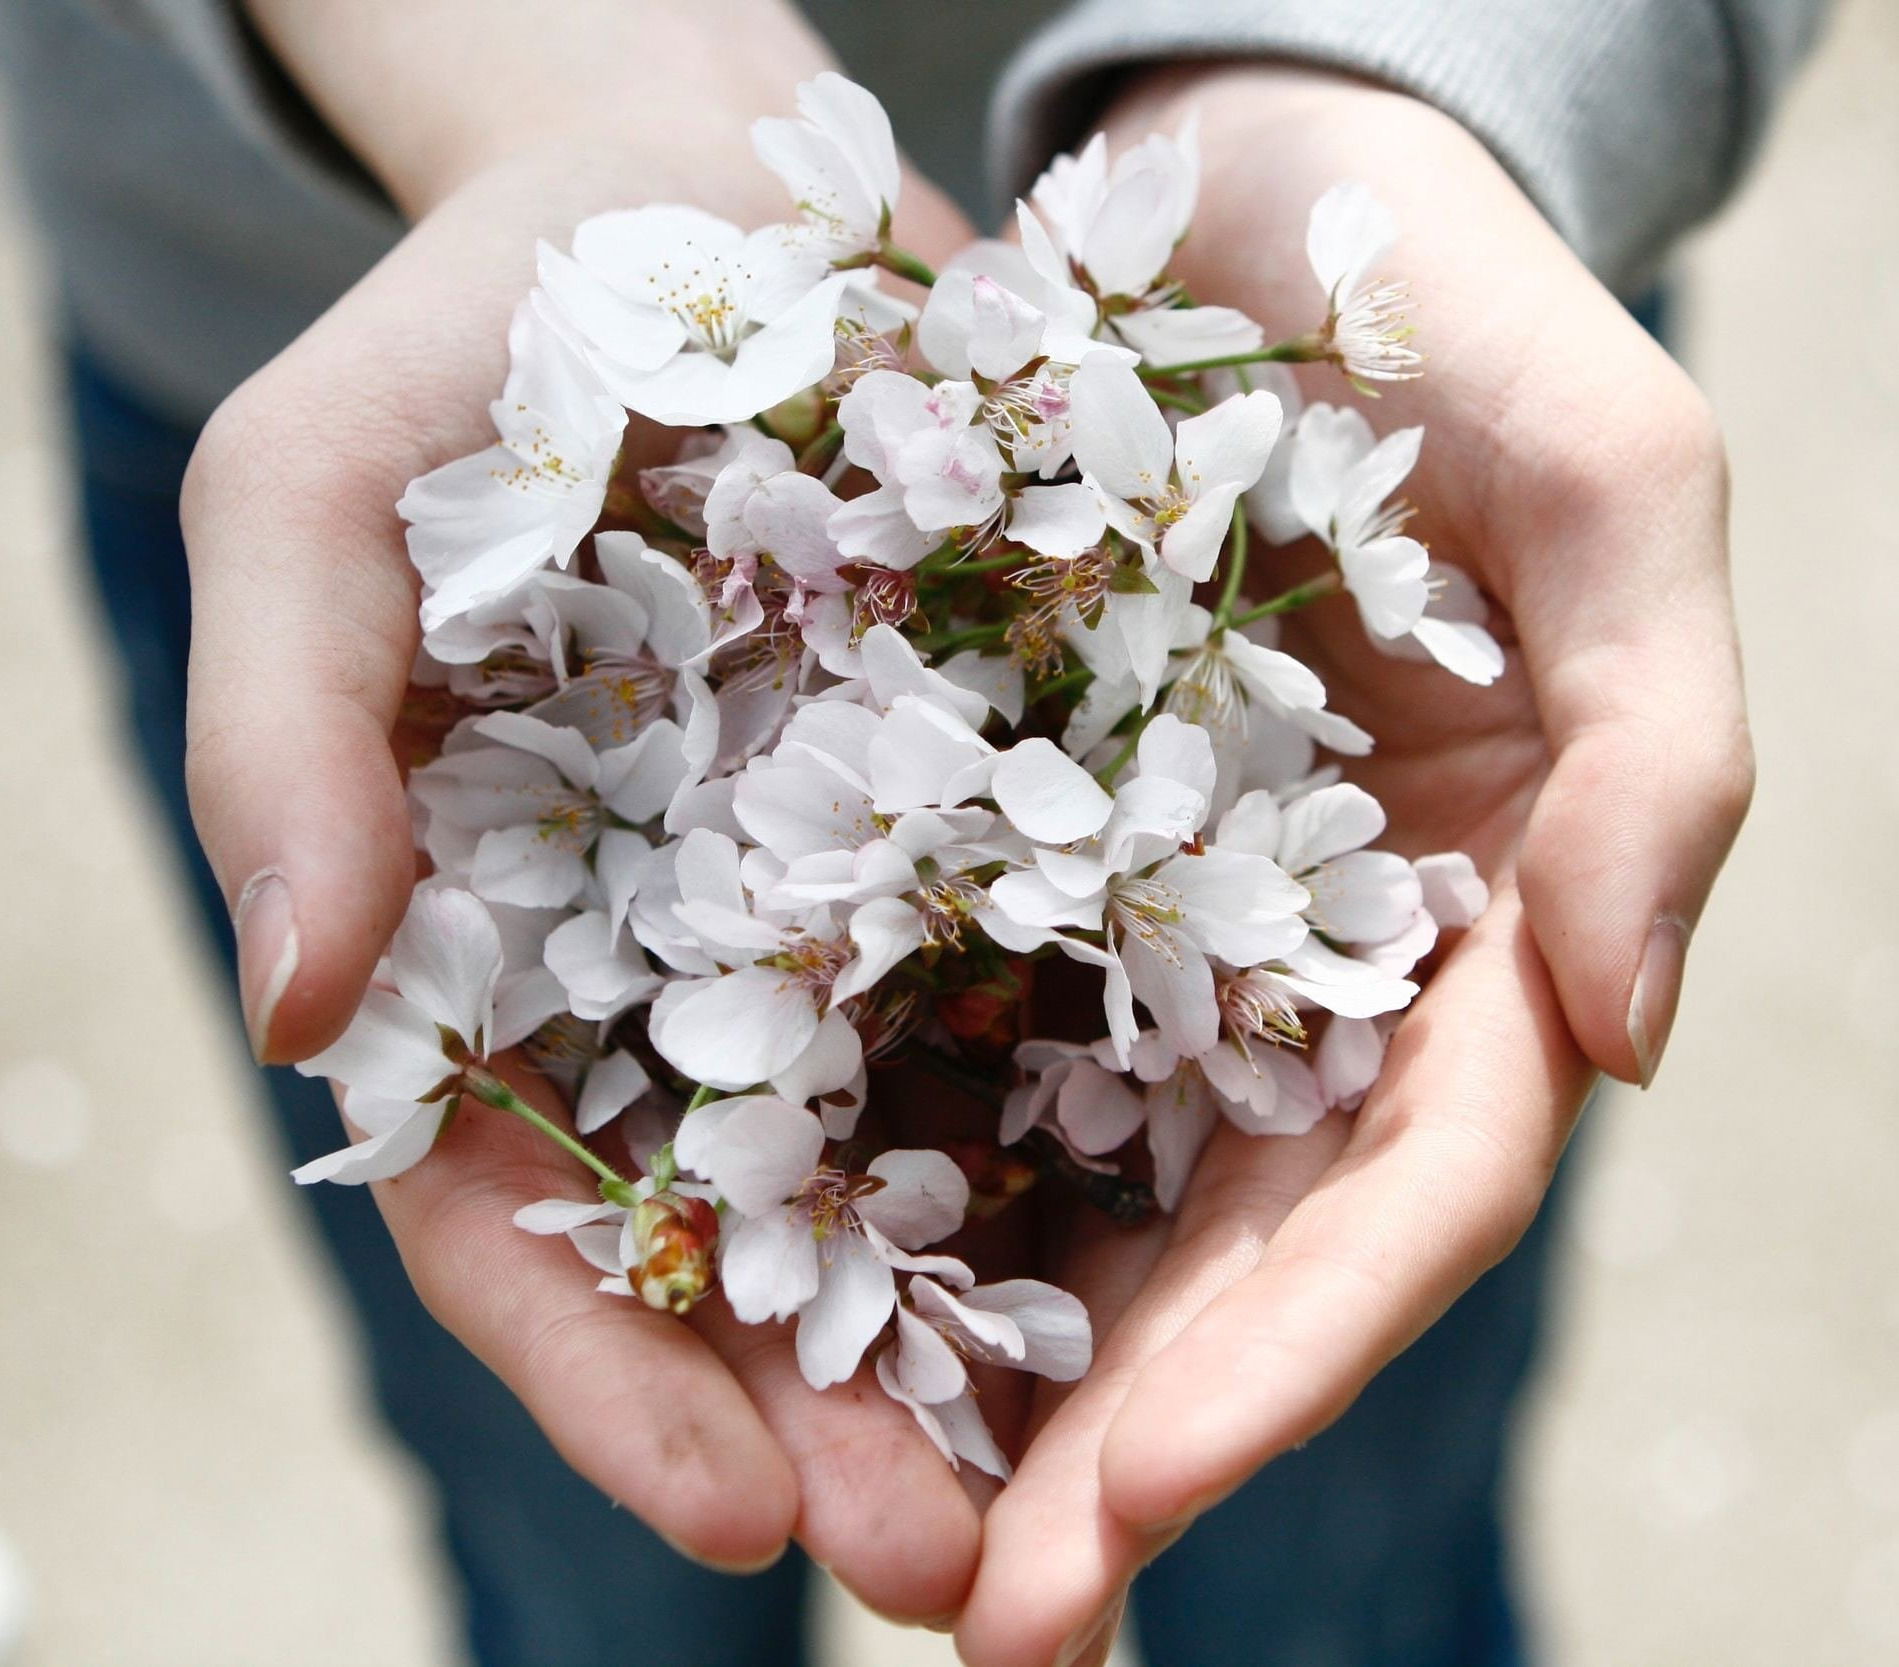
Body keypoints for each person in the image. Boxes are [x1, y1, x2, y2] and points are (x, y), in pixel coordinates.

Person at [0, 3, 1824, 1664]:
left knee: (1341, 1562)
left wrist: (1414, 76)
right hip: (312, 312)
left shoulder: (1175, 570)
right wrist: (569, 71)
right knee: (586, 1547)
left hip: (1425, 188)